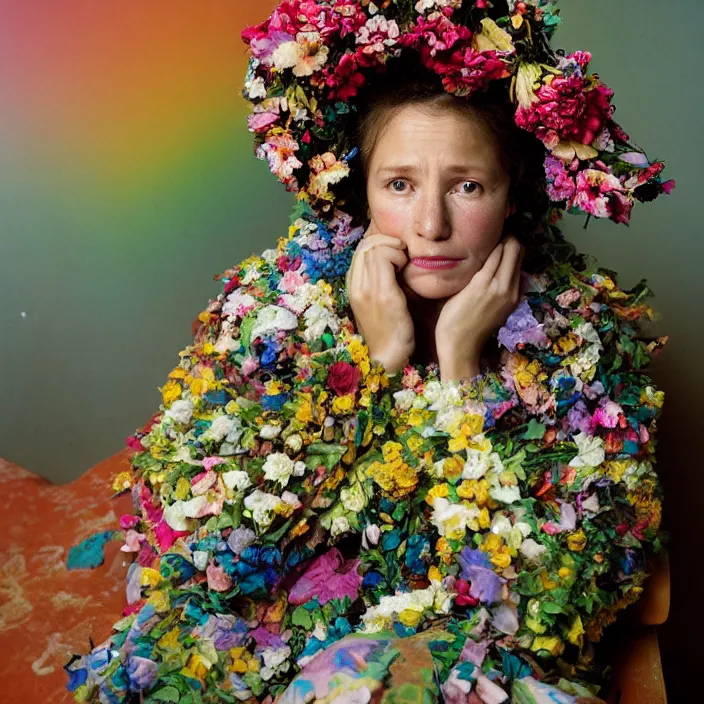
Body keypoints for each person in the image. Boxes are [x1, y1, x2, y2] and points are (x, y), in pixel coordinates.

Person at [66, 3, 673, 703]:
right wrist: (374, 364)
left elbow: (544, 616)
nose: (431, 223)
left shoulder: (582, 334)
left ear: (512, 198)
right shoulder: (274, 308)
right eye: (400, 184)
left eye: (467, 185)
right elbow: (200, 565)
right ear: (363, 195)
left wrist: (461, 371)